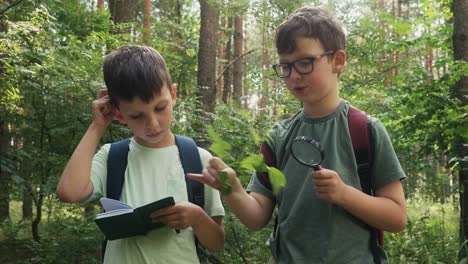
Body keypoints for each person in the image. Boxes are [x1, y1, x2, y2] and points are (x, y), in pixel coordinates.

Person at [188, 6, 406, 264]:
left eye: (304, 63)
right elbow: (257, 218)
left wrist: (344, 194)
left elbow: (396, 217)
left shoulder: (365, 129)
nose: (293, 76)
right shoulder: (277, 138)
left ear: (338, 60)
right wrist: (232, 188)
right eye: (285, 66)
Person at [56, 45, 225, 264]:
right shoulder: (113, 157)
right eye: (137, 116)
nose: (152, 124)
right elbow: (69, 192)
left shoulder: (197, 158)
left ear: (173, 94)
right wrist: (97, 126)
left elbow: (217, 243)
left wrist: (198, 217)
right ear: (119, 114)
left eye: (160, 108)